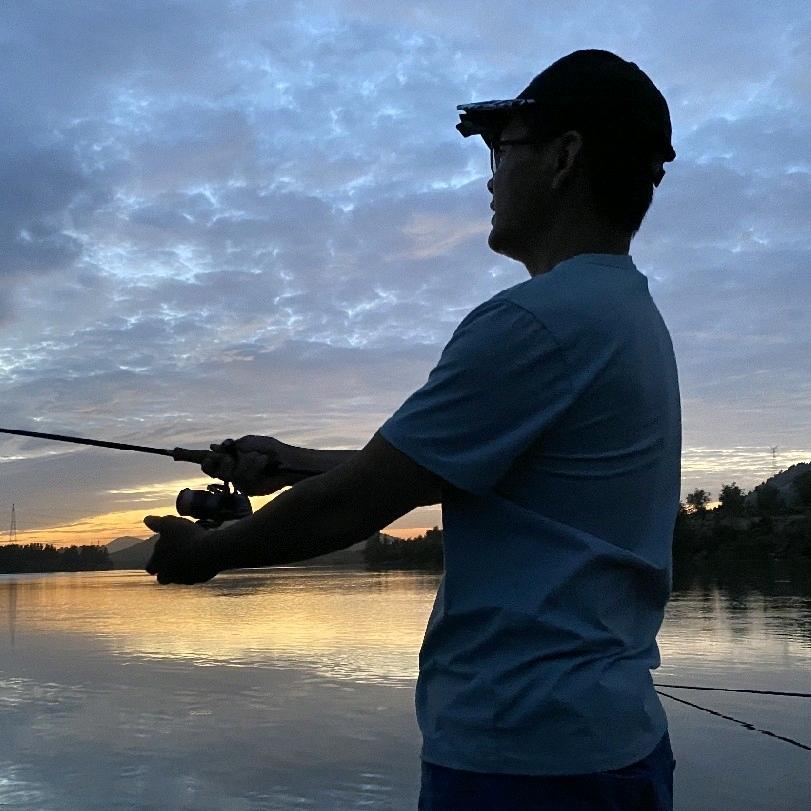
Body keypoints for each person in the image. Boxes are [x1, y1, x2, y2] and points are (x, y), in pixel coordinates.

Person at [145, 48, 680, 811]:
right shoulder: (623, 316)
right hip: (603, 746)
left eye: (504, 147)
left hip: (525, 761)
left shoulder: (536, 323)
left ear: (563, 157)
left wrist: (203, 553)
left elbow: (355, 503)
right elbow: (428, 470)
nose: (491, 174)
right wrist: (289, 461)